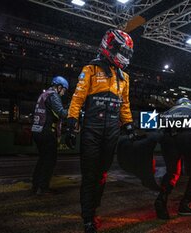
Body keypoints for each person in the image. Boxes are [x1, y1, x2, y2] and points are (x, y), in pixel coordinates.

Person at [66, 29, 136, 233]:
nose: (125, 56)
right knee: (89, 175)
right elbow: (78, 98)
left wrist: (129, 126)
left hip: (112, 132)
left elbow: (125, 105)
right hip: (92, 131)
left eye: (128, 53)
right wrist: (71, 124)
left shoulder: (125, 78)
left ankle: (93, 209)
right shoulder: (90, 69)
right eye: (123, 51)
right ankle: (87, 218)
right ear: (109, 47)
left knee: (102, 175)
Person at [31, 76, 68, 195]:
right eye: (64, 90)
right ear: (59, 87)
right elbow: (62, 113)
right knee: (49, 161)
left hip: (37, 130)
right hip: (46, 132)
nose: (63, 93)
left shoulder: (44, 94)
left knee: (42, 159)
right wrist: (72, 109)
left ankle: (35, 186)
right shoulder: (53, 95)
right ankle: (43, 188)